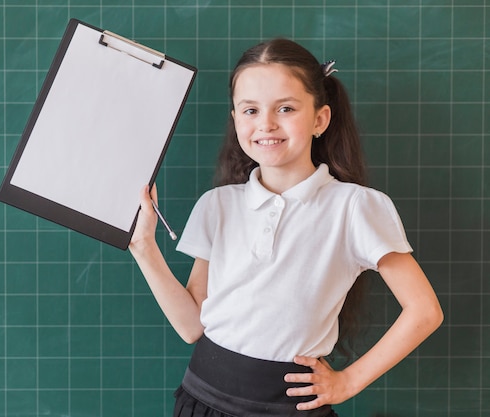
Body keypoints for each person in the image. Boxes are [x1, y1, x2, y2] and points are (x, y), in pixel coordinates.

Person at [129, 38, 443, 417]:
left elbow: (424, 310)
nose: (266, 124)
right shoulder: (217, 205)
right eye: (250, 110)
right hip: (201, 400)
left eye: (286, 108)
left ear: (320, 119)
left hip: (290, 408)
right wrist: (143, 245)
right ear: (235, 119)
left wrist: (349, 381)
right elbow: (192, 326)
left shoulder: (355, 207)